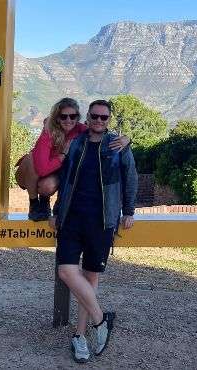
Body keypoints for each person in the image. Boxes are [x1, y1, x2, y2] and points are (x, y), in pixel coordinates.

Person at [50, 99, 137, 363]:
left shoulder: (118, 146)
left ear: (109, 119)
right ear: (87, 117)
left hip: (102, 222)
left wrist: (129, 210)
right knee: (66, 271)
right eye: (95, 116)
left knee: (90, 281)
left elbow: (130, 177)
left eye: (104, 118)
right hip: (72, 218)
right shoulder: (77, 143)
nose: (99, 121)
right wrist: (56, 211)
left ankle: (80, 337)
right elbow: (65, 180)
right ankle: (101, 321)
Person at [14, 97, 129, 221]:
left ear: (78, 117)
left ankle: (44, 200)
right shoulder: (48, 132)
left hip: (52, 173)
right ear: (57, 118)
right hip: (29, 175)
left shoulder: (81, 130)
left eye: (72, 116)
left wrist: (127, 140)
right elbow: (41, 169)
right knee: (31, 157)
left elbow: (101, 132)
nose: (68, 120)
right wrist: (63, 153)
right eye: (63, 116)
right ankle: (34, 203)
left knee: (48, 186)